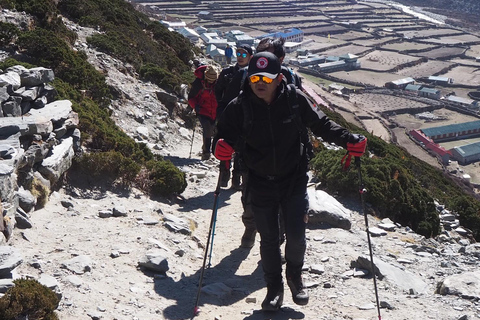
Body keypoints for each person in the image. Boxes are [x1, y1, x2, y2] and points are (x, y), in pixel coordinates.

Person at [213, 52, 366, 311]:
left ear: (279, 78)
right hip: (259, 181)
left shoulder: (295, 100)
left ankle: (295, 276)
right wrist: (221, 148)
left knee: (296, 236)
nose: (260, 82)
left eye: (267, 77)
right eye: (255, 77)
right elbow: (223, 135)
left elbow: (323, 125)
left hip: (293, 179)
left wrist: (349, 139)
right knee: (270, 238)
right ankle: (274, 288)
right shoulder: (239, 106)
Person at [215, 44, 254, 190]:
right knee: (225, 145)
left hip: (245, 118)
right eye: (238, 53)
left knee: (241, 150)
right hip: (227, 115)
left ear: (250, 56)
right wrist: (220, 110)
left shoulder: (253, 74)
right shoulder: (227, 73)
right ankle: (224, 174)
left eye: (244, 54)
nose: (240, 57)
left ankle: (236, 179)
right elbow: (217, 91)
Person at [188, 65, 219, 160]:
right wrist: (195, 106)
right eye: (209, 79)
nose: (211, 82)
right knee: (207, 128)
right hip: (202, 110)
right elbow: (191, 97)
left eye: (213, 80)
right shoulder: (198, 83)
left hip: (215, 111)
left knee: (212, 129)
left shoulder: (219, 83)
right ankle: (206, 153)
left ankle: (206, 146)